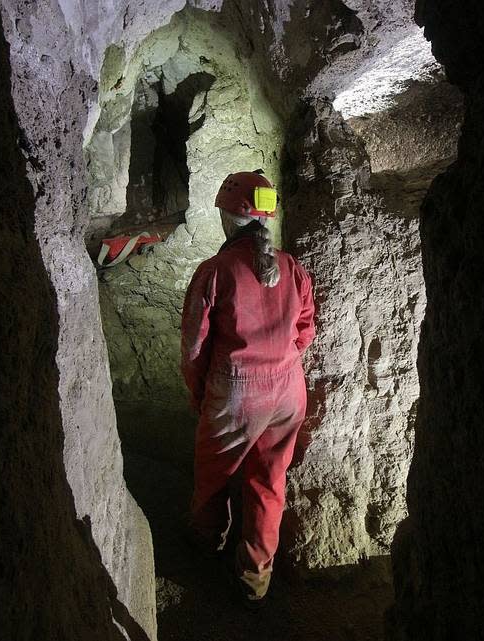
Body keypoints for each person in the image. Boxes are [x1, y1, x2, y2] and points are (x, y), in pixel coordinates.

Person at [180, 171, 316, 607]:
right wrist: (279, 360)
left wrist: (199, 393)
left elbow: (195, 346)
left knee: (213, 474)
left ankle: (206, 545)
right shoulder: (291, 267)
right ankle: (256, 577)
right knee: (269, 482)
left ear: (227, 217)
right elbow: (305, 331)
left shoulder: (215, 271)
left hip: (237, 393)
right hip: (289, 390)